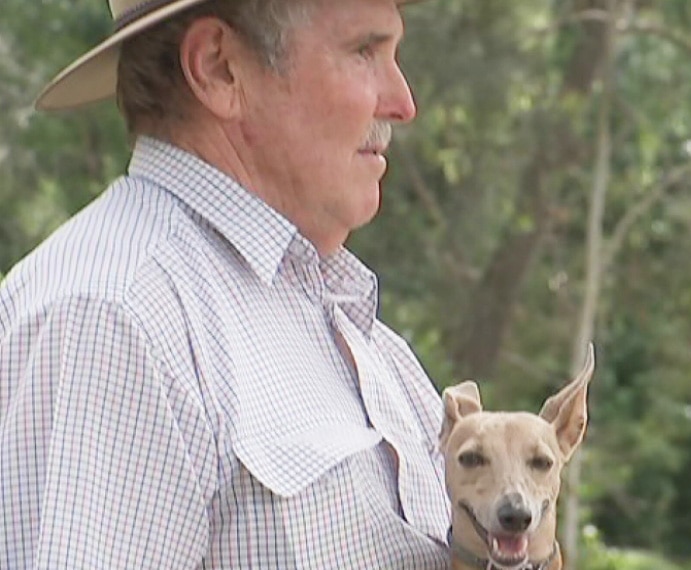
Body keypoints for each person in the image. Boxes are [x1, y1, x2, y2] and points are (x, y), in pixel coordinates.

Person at [0, 0, 452, 567]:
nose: (403, 102)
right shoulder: (115, 315)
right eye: (364, 51)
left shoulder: (363, 340)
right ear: (218, 68)